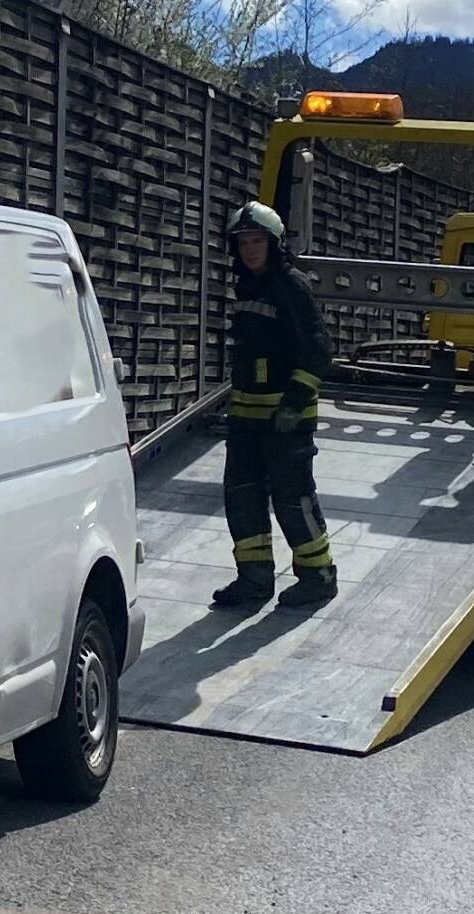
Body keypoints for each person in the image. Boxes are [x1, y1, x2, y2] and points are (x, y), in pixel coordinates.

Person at [212, 201, 338, 609]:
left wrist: (294, 403)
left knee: (292, 498)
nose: (250, 250)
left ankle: (318, 577)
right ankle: (254, 580)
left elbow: (318, 351)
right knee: (242, 497)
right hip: (246, 419)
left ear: (274, 244)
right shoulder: (248, 286)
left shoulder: (291, 285)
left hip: (286, 420)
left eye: (258, 241)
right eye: (244, 242)